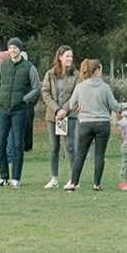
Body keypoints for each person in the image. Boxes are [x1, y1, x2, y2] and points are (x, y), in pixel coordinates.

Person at [61, 58, 125, 192]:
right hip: (102, 123)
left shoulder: (80, 87)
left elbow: (72, 105)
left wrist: (80, 107)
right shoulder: (105, 87)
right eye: (100, 69)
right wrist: (122, 107)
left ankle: (73, 183)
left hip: (85, 124)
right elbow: (114, 105)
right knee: (99, 155)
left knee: (80, 154)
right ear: (96, 71)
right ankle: (96, 184)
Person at [0, 37, 40, 188]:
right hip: (3, 109)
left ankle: (16, 178)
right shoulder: (3, 66)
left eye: (15, 48)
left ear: (20, 50)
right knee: (0, 144)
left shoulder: (29, 67)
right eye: (10, 48)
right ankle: (3, 176)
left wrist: (24, 99)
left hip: (20, 110)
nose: (12, 50)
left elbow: (36, 87)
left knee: (18, 144)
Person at [40, 45, 77, 188]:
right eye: (67, 56)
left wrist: (65, 110)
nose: (70, 59)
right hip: (53, 116)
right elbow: (45, 93)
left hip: (69, 116)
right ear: (60, 57)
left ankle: (73, 179)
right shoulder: (50, 74)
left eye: (71, 57)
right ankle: (54, 178)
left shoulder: (76, 75)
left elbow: (76, 95)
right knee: (54, 147)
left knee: (70, 146)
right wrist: (57, 110)